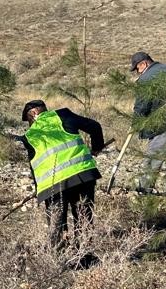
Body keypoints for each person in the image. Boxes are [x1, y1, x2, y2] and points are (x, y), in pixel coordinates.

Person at [20, 99, 106, 251]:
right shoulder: (63, 115)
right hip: (82, 176)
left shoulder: (28, 136)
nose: (29, 124)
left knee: (56, 223)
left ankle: (58, 257)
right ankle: (84, 257)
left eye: (28, 120)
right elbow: (95, 126)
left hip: (53, 185)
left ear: (33, 114)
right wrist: (97, 147)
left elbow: (34, 167)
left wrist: (39, 188)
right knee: (84, 217)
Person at [130, 51, 166, 195]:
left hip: (162, 127)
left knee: (152, 159)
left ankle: (144, 191)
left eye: (137, 69)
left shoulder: (146, 79)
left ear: (144, 63)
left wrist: (137, 122)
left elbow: (142, 105)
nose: (137, 72)